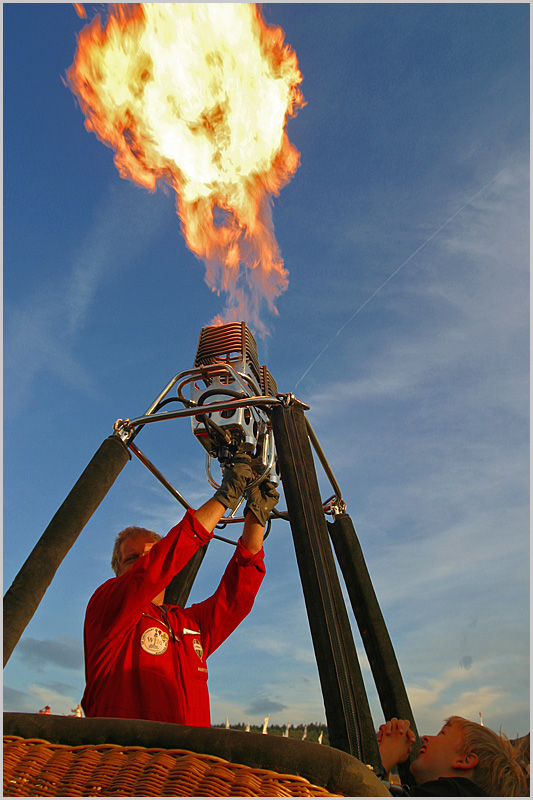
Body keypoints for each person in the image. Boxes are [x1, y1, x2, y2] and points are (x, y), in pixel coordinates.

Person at [81, 451, 279, 727]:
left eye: (150, 554)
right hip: (125, 763)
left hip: (188, 766)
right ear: (117, 569)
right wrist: (224, 497)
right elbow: (149, 574)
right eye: (131, 558)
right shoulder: (106, 610)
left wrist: (256, 515)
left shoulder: (188, 625)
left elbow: (237, 597)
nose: (142, 563)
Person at [377, 716, 529, 796]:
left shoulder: (454, 791)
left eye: (442, 733)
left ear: (466, 760)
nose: (426, 738)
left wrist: (386, 757)